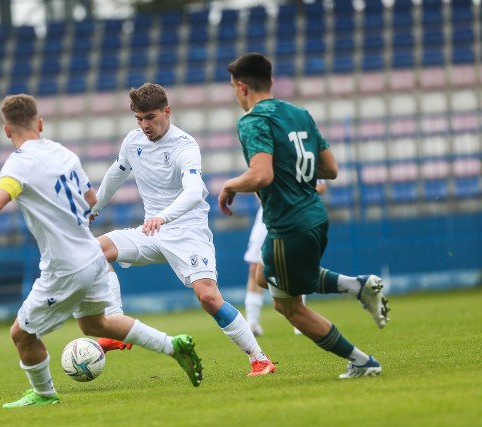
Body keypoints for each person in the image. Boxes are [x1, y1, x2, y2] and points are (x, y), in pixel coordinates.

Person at [0, 94, 203, 408]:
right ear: (40, 123)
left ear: (6, 130)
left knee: (21, 333)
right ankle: (174, 346)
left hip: (65, 264)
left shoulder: (19, 163)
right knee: (97, 325)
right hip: (91, 256)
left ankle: (44, 394)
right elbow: (91, 198)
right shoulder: (63, 154)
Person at [219, 53, 390, 379]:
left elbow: (261, 175)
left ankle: (361, 360)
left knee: (289, 306)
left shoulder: (253, 121)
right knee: (262, 276)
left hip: (287, 226)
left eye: (233, 87)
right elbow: (330, 169)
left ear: (242, 87)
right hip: (314, 216)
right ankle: (359, 286)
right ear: (269, 82)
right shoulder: (300, 114)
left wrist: (229, 185)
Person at [89, 83, 276, 376]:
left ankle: (259, 358)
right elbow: (117, 172)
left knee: (208, 298)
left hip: (187, 231)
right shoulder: (133, 141)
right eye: (138, 119)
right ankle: (115, 325)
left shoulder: (184, 145)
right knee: (95, 251)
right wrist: (95, 206)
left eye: (150, 117)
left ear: (167, 111)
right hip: (152, 231)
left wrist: (163, 217)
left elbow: (192, 193)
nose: (144, 125)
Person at [245, 180, 325, 336]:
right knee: (255, 267)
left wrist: (296, 197)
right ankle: (252, 324)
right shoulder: (266, 155)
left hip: (294, 213)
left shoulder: (305, 155)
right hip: (267, 214)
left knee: (297, 265)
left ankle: (300, 320)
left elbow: (321, 184)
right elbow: (256, 178)